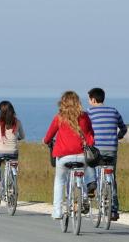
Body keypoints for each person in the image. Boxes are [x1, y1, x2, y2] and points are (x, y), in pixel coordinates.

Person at [42, 91, 95, 220]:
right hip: (82, 155)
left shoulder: (59, 117)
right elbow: (91, 135)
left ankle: (57, 212)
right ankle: (83, 197)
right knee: (84, 172)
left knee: (60, 181)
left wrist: (45, 141)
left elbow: (49, 136)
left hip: (64, 157)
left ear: (63, 103)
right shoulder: (84, 117)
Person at [86, 87, 128, 221]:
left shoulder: (89, 112)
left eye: (89, 99)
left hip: (97, 150)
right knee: (112, 177)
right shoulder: (114, 111)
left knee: (89, 162)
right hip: (112, 149)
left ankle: (92, 183)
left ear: (93, 99)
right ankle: (114, 210)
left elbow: (84, 129)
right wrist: (118, 136)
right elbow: (124, 128)